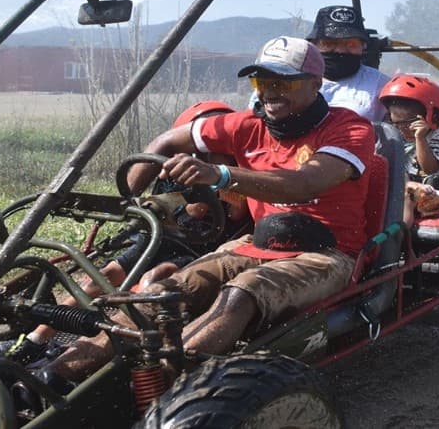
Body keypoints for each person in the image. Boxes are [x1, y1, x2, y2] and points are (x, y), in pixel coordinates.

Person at [43, 36, 374, 381]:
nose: (269, 93)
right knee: (158, 295)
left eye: (282, 83)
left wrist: (220, 174)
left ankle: (170, 381)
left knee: (242, 293)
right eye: (262, 82)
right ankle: (50, 380)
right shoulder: (247, 125)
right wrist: (128, 200)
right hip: (258, 243)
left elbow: (303, 183)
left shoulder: (349, 129)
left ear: (316, 84)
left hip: (327, 255)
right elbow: (167, 141)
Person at [0, 101, 248, 363]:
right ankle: (36, 339)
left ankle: (113, 349)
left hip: (201, 250)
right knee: (100, 278)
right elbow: (151, 200)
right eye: (199, 141)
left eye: (213, 143)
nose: (204, 148)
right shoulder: (170, 169)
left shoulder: (233, 172)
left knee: (155, 280)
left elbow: (236, 213)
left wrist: (214, 179)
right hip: (160, 239)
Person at [379, 75, 439, 225]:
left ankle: (397, 239)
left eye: (406, 124)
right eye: (395, 123)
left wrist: (420, 139)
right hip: (406, 187)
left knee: (408, 194)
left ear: (430, 117)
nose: (400, 129)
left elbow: (430, 168)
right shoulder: (396, 134)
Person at [307, 5, 391, 122]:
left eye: (351, 44)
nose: (340, 51)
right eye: (329, 43)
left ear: (363, 46)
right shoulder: (297, 81)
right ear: (314, 45)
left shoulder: (381, 85)